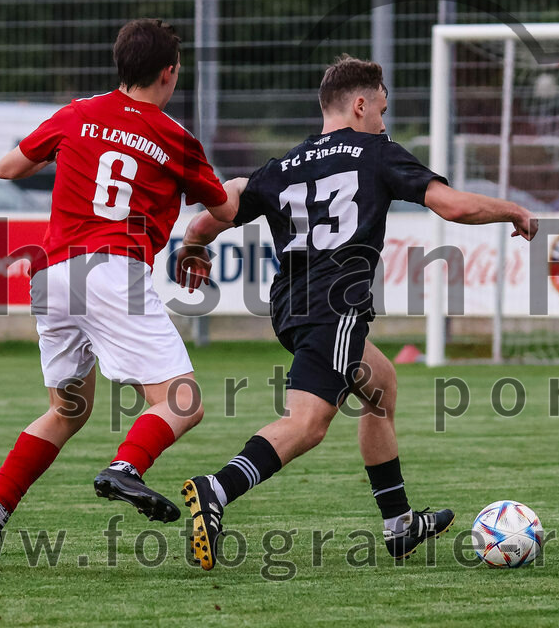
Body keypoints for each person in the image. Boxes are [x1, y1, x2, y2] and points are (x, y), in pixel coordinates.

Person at [173, 54, 538, 571]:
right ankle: (216, 489)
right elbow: (451, 205)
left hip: (290, 305)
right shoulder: (376, 152)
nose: (384, 123)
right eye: (381, 110)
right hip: (335, 306)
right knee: (308, 424)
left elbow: (228, 198)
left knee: (381, 385)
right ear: (361, 103)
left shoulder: (287, 164)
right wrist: (513, 210)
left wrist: (192, 242)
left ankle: (399, 523)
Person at [0, 18, 239, 570]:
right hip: (114, 273)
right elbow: (226, 210)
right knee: (184, 402)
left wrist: (66, 151)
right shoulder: (176, 138)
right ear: (170, 72)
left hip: (55, 274)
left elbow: (8, 167)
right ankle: (126, 468)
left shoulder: (78, 113)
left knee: (67, 411)